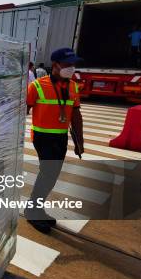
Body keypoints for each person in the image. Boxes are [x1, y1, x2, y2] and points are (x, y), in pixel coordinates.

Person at [25, 48, 84, 234]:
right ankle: (33, 210)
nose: (71, 68)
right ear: (56, 65)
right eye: (68, 64)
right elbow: (21, 111)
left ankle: (36, 208)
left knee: (51, 174)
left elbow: (76, 115)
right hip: (42, 137)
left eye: (73, 64)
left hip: (60, 137)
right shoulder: (37, 86)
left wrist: (80, 142)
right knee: (48, 172)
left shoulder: (73, 87)